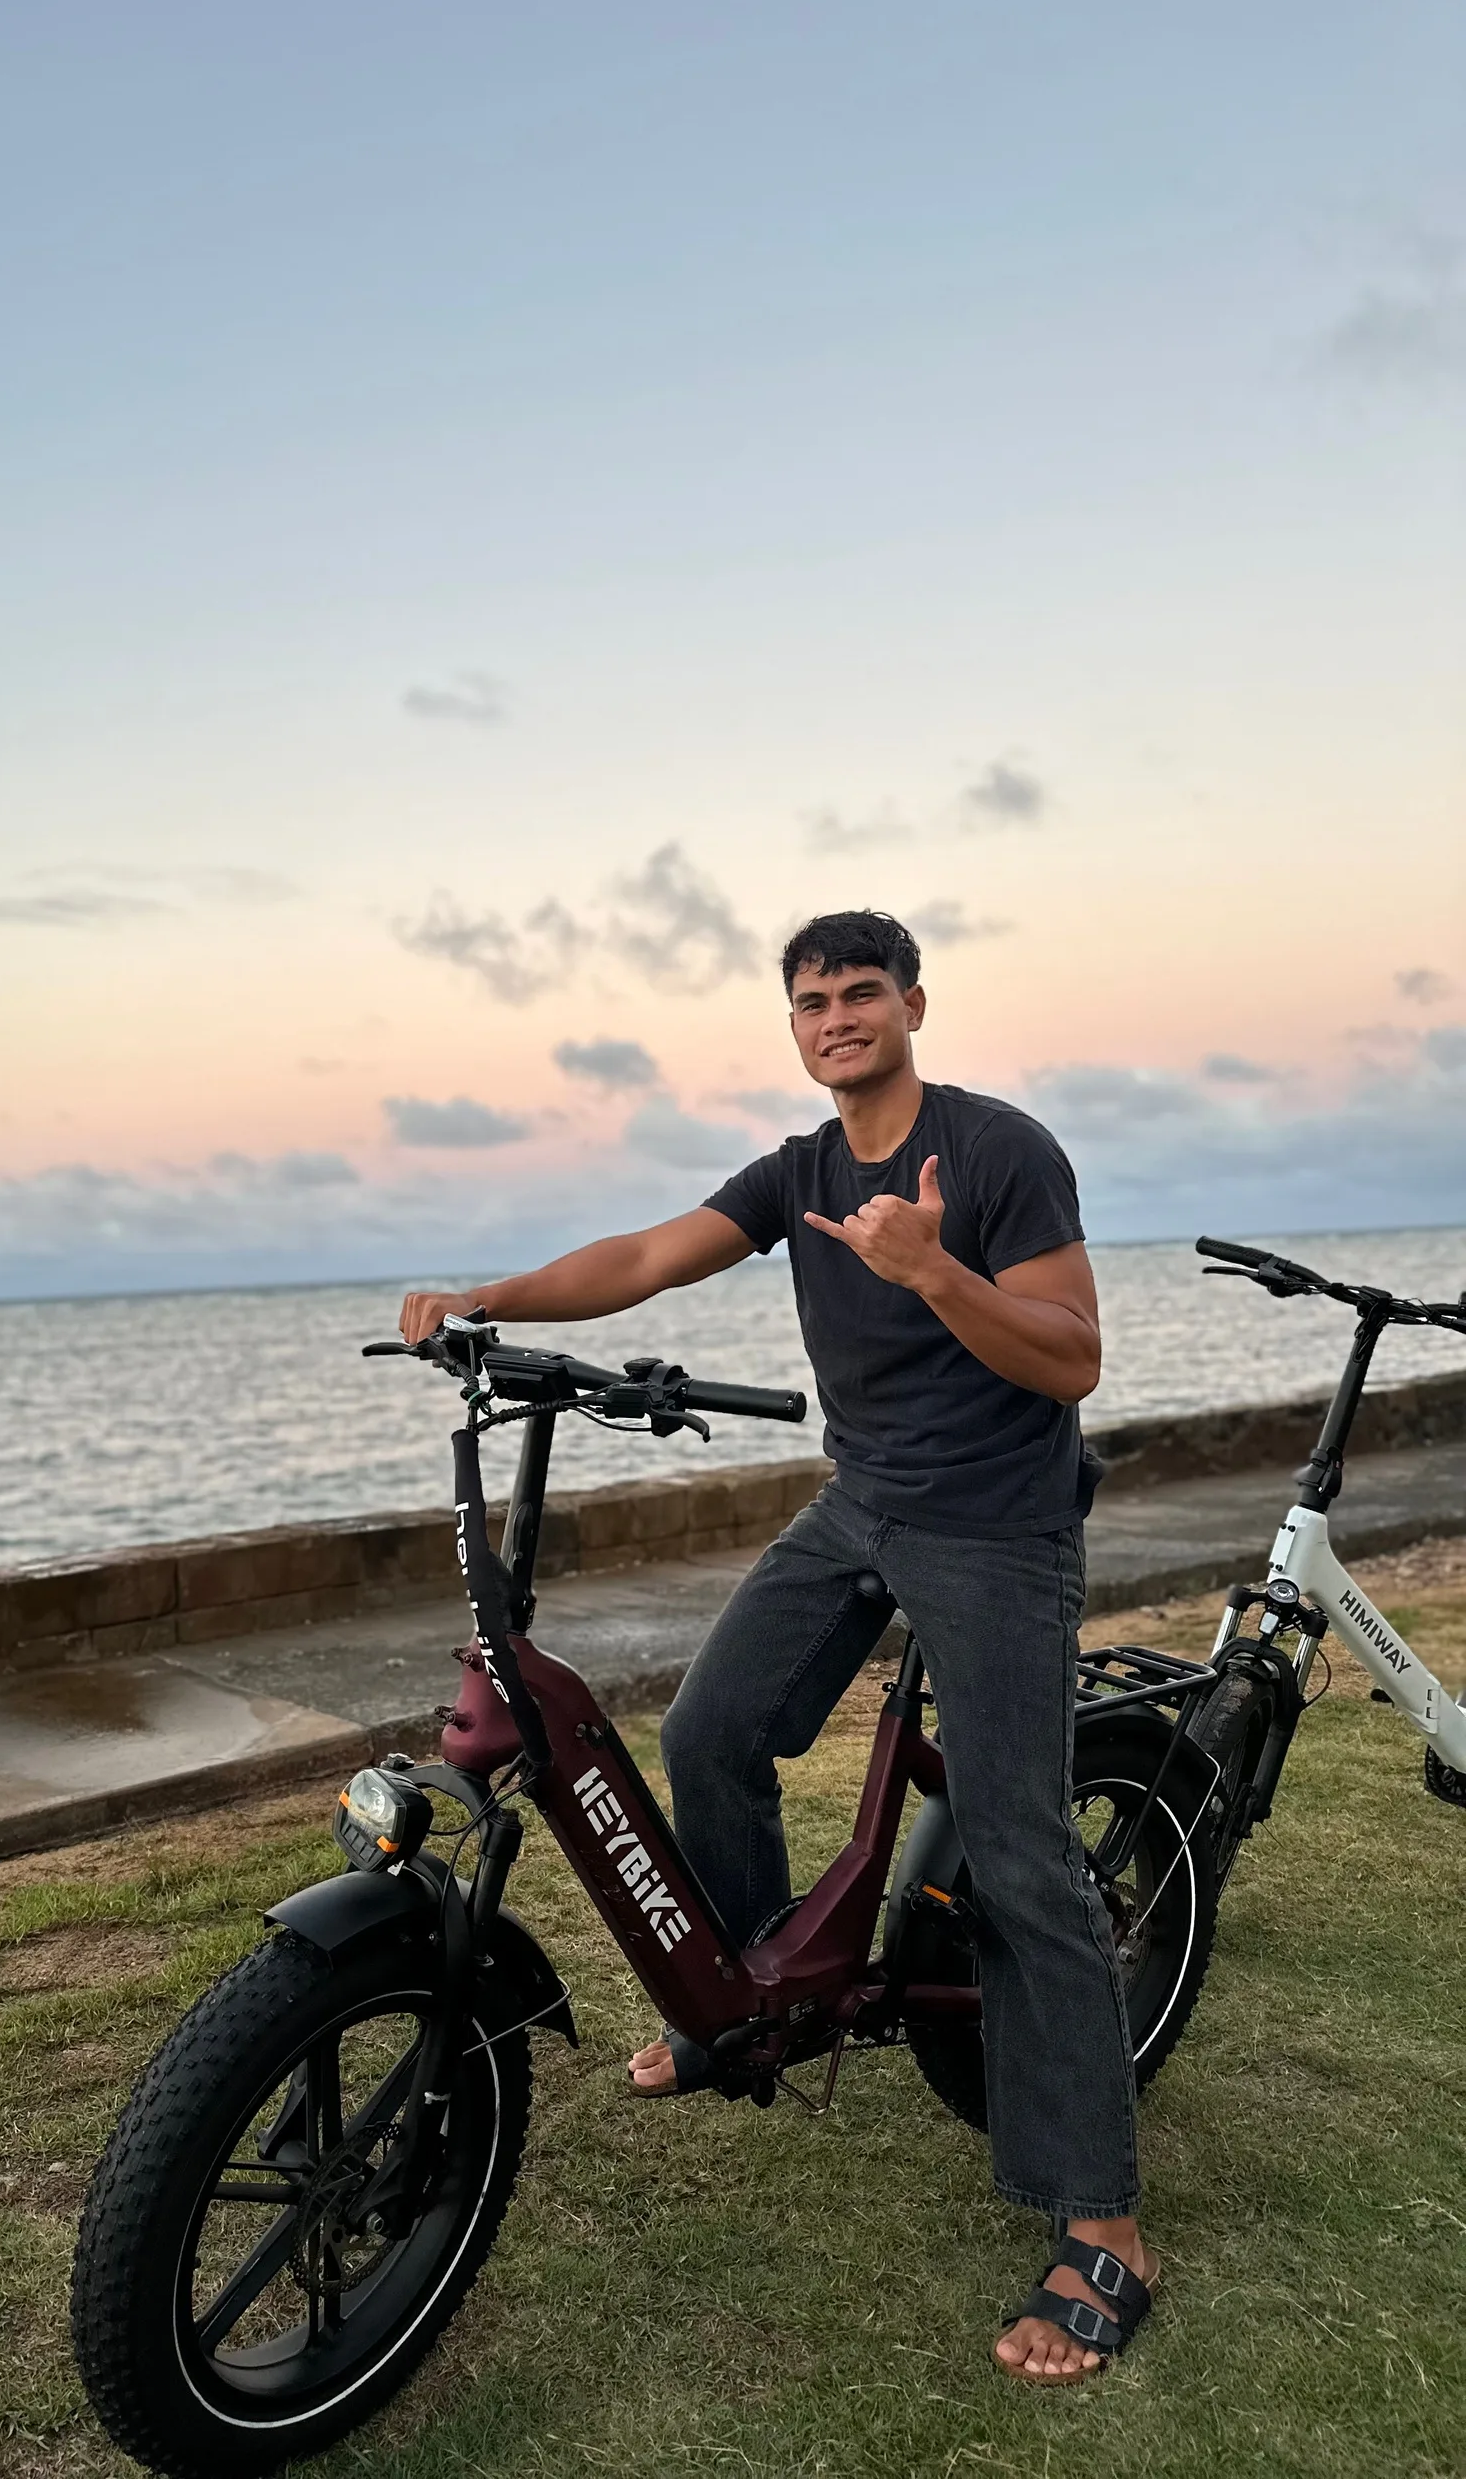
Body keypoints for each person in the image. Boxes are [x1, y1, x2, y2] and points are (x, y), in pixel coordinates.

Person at [399, 907, 1155, 2384]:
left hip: (997, 1524)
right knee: (708, 1731)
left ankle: (1104, 2222)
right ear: (793, 1025)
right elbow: (648, 1254)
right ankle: (758, 2006)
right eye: (811, 1002)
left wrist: (934, 1272)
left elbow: (1073, 1356)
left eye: (861, 992)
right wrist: (488, 1297)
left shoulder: (1000, 1150)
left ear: (914, 1004)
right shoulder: (800, 1171)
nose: (836, 1019)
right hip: (864, 1500)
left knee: (1015, 1856)